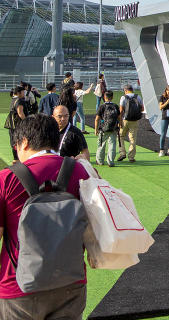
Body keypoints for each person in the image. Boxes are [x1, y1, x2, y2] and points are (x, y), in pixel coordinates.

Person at [0, 115, 90, 319]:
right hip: (71, 282)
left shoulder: (6, 178)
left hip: (18, 286)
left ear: (23, 142)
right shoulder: (81, 171)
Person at [95, 90, 122, 167]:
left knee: (101, 144)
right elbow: (119, 117)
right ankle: (110, 161)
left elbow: (97, 119)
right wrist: (120, 125)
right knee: (112, 145)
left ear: (104, 97)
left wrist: (96, 129)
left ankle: (100, 161)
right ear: (112, 97)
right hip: (113, 128)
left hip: (103, 128)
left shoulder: (102, 106)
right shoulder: (115, 106)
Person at [117, 85, 144, 163]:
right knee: (132, 138)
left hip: (125, 120)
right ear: (132, 90)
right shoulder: (138, 97)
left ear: (125, 90)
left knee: (121, 136)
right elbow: (142, 109)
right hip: (135, 120)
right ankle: (131, 157)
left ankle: (122, 153)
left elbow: (121, 111)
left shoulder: (123, 97)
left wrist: (119, 121)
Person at [5, 87, 27, 157]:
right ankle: (19, 158)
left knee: (14, 143)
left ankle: (15, 159)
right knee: (19, 141)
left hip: (12, 124)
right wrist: (27, 122)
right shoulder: (19, 100)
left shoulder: (13, 99)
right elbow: (20, 113)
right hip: (18, 125)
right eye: (23, 92)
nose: (24, 94)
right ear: (18, 93)